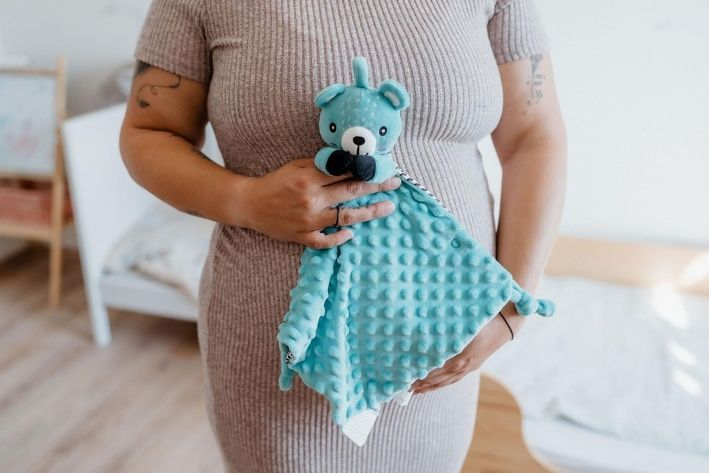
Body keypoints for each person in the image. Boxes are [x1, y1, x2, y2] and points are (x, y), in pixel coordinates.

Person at [120, 0, 566, 471]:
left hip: (442, 355)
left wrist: (510, 311)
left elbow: (533, 137)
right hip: (274, 364)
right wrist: (246, 201)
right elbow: (148, 132)